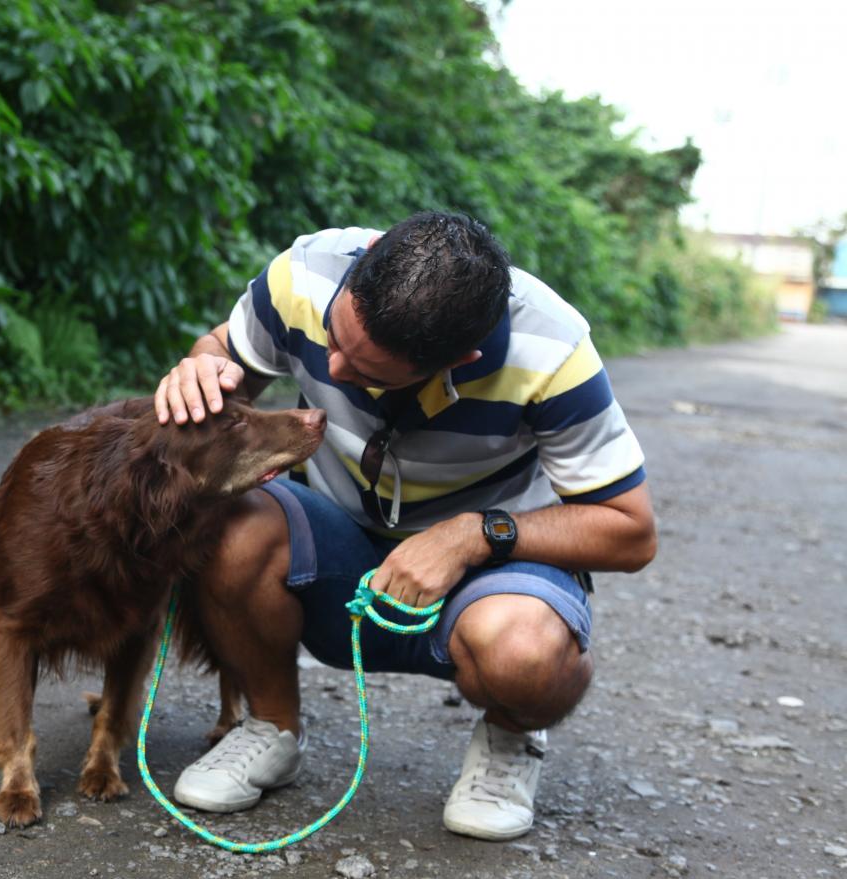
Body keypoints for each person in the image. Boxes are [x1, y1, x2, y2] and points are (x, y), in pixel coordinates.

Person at [153, 212, 656, 841]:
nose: (333, 370)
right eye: (333, 338)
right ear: (357, 271)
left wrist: (473, 534)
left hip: (489, 575)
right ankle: (272, 726)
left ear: (458, 361)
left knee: (524, 654)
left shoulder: (551, 351)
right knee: (221, 527)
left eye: (368, 373)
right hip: (342, 540)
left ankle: (511, 735)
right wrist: (199, 366)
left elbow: (631, 530)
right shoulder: (307, 273)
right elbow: (226, 353)